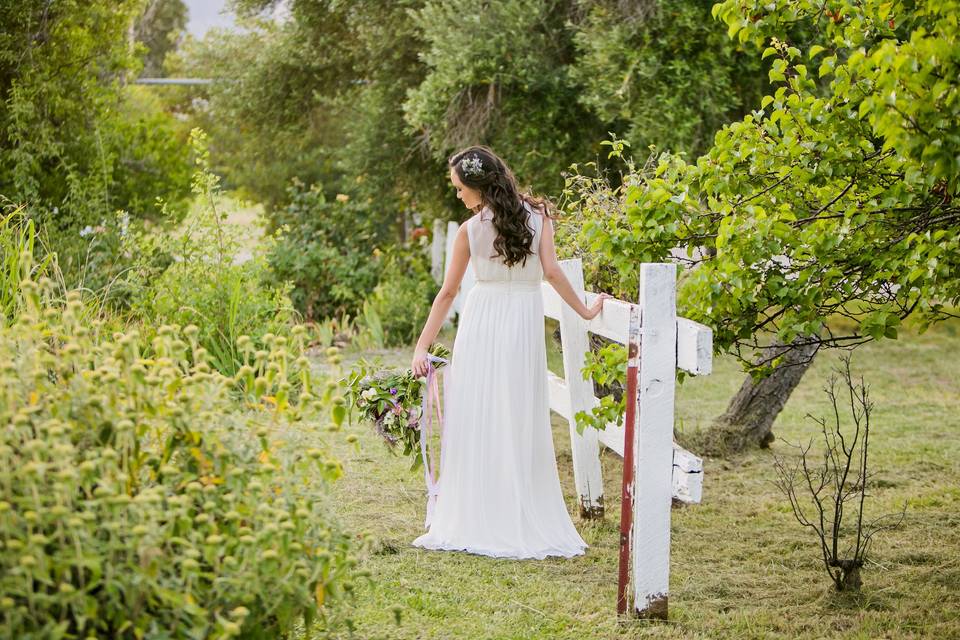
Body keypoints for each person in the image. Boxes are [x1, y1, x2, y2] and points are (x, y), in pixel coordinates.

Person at [410, 145, 611, 560]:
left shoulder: (470, 230)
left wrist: (421, 345)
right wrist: (585, 310)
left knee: (480, 411)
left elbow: (447, 293)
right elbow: (552, 272)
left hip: (483, 320)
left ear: (478, 185)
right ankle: (511, 506)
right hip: (521, 318)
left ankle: (484, 510)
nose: (458, 195)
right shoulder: (539, 217)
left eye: (459, 188)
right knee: (518, 412)